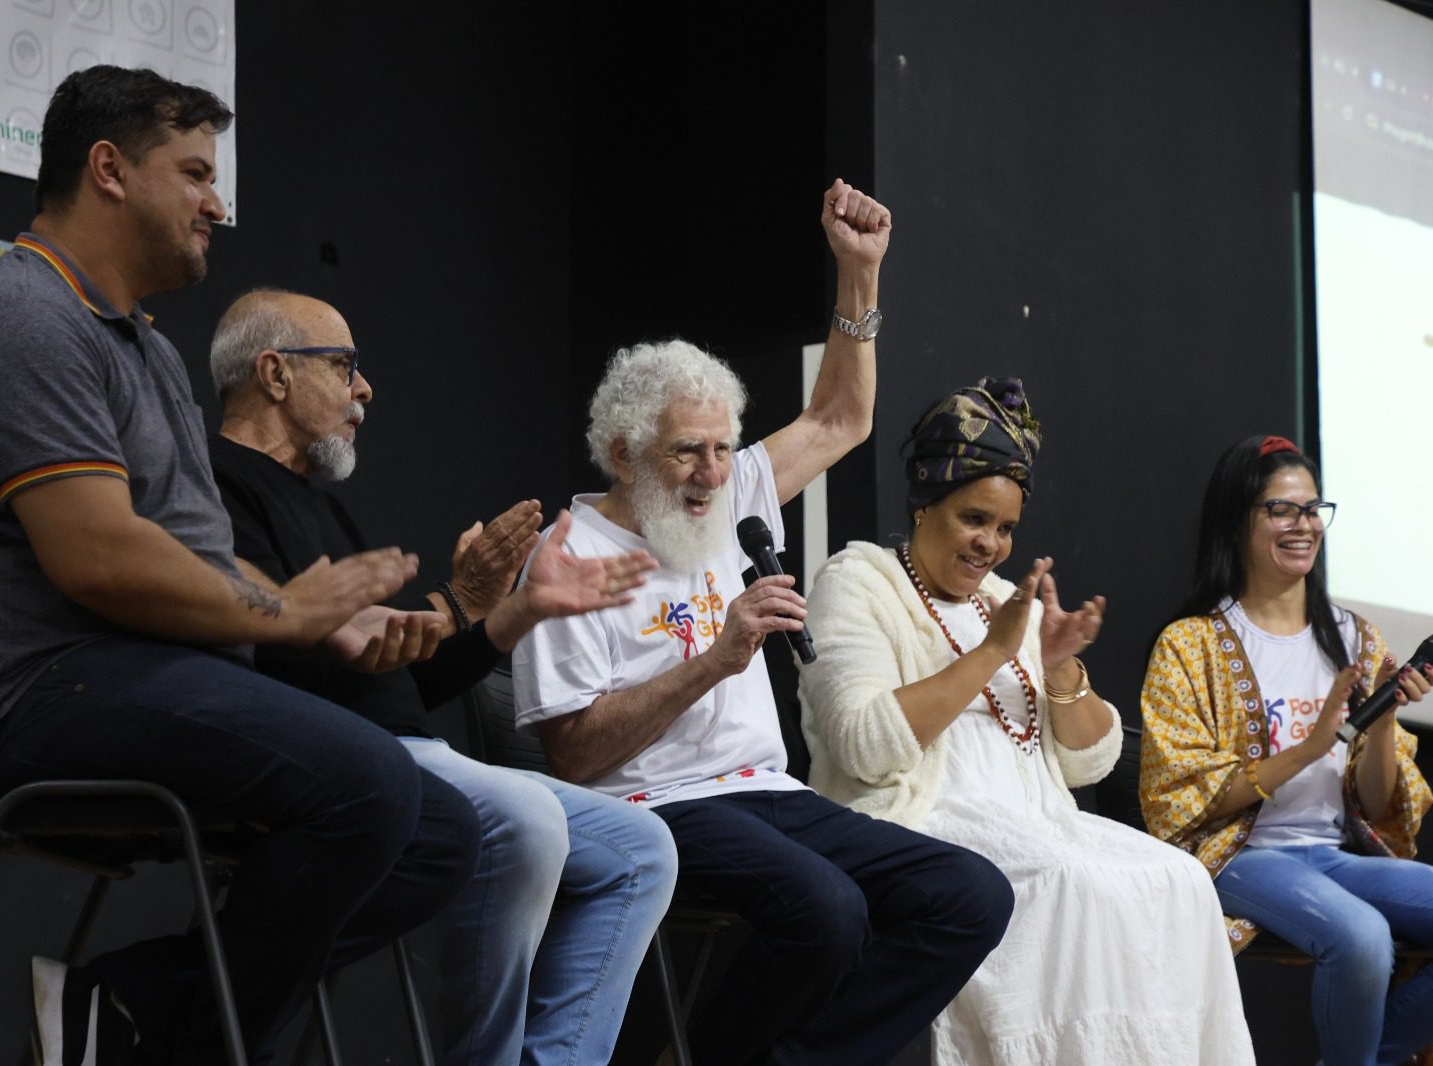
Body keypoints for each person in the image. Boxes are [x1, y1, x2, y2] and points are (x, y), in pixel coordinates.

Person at [0, 66, 481, 1065]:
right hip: (34, 693)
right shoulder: (21, 319)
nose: (219, 204)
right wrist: (283, 613)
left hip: (138, 673)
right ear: (110, 170)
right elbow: (100, 557)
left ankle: (127, 1012)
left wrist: (320, 617)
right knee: (370, 785)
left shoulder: (150, 353)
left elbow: (192, 551)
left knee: (439, 834)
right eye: (197, 174)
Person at [512, 181, 1014, 1066]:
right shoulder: (568, 555)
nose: (713, 473)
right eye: (686, 451)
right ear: (623, 452)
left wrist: (859, 274)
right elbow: (575, 756)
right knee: (828, 911)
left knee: (969, 894)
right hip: (651, 803)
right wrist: (715, 659)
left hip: (767, 794)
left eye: (721, 447)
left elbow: (839, 418)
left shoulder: (733, 493)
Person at [205, 288, 678, 1066]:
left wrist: (520, 608)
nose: (364, 389)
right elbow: (271, 657)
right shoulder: (216, 486)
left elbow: (399, 685)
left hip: (403, 750)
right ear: (275, 373)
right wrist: (446, 607)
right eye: (344, 366)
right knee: (528, 817)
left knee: (643, 849)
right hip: (328, 759)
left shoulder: (317, 502)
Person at [797, 378, 1255, 1065]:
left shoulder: (1005, 601)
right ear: (923, 505)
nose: (990, 544)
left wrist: (1062, 669)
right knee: (1071, 880)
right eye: (974, 519)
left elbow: (1088, 763)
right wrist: (992, 654)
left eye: (1006, 528)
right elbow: (863, 745)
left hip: (1040, 817)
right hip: (917, 817)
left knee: (1181, 880)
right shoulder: (858, 581)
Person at [1141, 434, 1433, 1065]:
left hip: (1331, 855)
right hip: (1240, 856)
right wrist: (1309, 746)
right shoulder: (1190, 644)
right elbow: (1179, 803)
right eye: (1281, 509)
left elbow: (1377, 804)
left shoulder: (1357, 637)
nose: (1303, 525)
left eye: (1312, 509)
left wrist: (1382, 722)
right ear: (1237, 520)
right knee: (1363, 937)